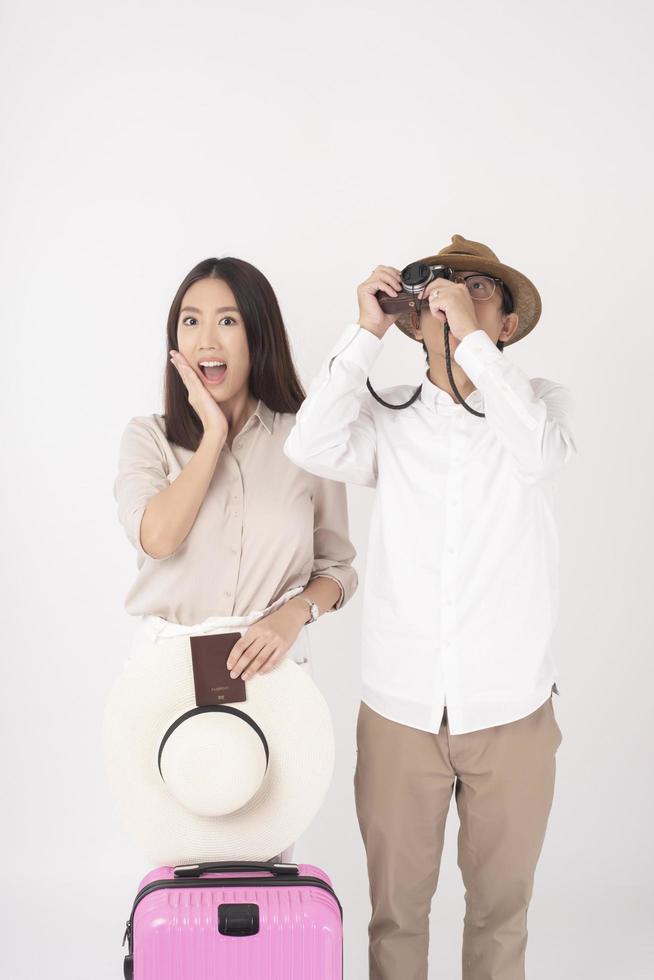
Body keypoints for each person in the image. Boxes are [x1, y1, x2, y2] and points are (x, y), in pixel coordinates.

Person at [284, 234, 576, 979]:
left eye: (481, 292)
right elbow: (310, 443)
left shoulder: (538, 406)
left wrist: (471, 344)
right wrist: (368, 330)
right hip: (399, 714)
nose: (457, 300)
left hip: (511, 712)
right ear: (418, 319)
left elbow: (538, 456)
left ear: (507, 326)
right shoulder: (391, 424)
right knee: (396, 921)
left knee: (500, 918)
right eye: (443, 291)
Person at [113, 256, 357, 862]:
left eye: (226, 321)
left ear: (257, 334)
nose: (205, 339)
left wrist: (293, 614)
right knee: (178, 866)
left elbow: (339, 569)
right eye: (190, 322)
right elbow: (158, 537)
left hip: (269, 674)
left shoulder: (306, 439)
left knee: (264, 862)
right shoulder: (147, 438)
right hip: (165, 679)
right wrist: (213, 437)